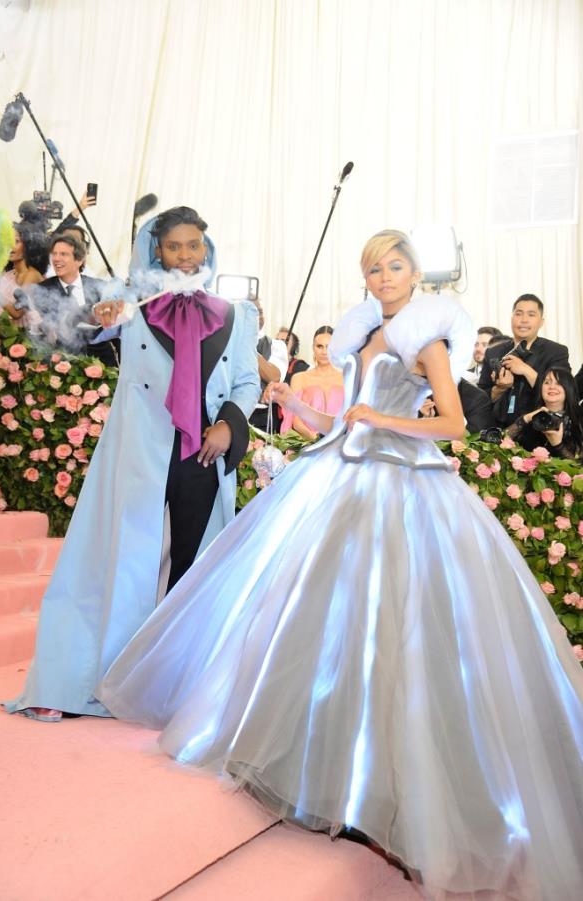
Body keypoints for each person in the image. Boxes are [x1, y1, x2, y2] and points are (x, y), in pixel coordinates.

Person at [98, 230, 583, 901]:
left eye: (393, 265)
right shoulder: (362, 334)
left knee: (398, 639)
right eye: (371, 268)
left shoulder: (428, 338)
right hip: (341, 473)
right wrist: (303, 409)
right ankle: (320, 769)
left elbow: (453, 426)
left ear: (416, 273)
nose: (382, 276)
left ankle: (396, 798)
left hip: (401, 486)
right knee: (318, 628)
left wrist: (378, 420)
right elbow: (345, 422)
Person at [3, 205, 260, 722]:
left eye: (194, 246)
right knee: (123, 566)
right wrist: (95, 316)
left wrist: (230, 423)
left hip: (202, 455)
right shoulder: (131, 305)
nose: (186, 256)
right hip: (140, 454)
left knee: (193, 568)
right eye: (174, 246)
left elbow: (247, 381)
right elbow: (83, 329)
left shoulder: (236, 315)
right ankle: (97, 680)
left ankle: (178, 684)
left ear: (206, 250)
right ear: (156, 251)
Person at [478, 294, 570, 426]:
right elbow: (480, 398)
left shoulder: (556, 352)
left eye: (531, 315)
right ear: (511, 318)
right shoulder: (493, 352)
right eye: (519, 314)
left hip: (539, 428)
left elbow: (563, 391)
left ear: (541, 322)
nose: (524, 320)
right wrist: (499, 389)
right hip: (497, 430)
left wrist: (526, 370)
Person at [30, 233, 117, 366]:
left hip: (102, 364)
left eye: (63, 254)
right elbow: (42, 333)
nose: (56, 259)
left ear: (79, 260)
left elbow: (114, 328)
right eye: (54, 254)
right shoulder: (42, 290)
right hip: (62, 365)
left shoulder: (100, 287)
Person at [505, 366, 583, 460]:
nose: (552, 387)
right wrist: (527, 418)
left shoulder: (578, 419)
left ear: (568, 388)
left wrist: (557, 444)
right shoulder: (530, 416)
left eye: (558, 383)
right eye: (547, 382)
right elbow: (500, 442)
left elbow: (578, 468)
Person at [280, 325, 344, 438]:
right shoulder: (300, 378)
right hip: (307, 444)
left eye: (329, 347)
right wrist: (315, 440)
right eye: (320, 346)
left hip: (339, 443)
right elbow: (295, 419)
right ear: (313, 348)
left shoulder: (346, 378)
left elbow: (350, 416)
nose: (324, 352)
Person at [0, 221, 49, 320]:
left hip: (26, 334)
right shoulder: (9, 274)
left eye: (16, 241)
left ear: (29, 246)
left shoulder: (31, 275)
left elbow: (17, 313)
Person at [249, 296, 288, 431]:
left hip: (261, 417)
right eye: (251, 312)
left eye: (260, 312)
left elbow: (274, 376)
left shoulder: (276, 346)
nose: (258, 317)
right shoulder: (228, 342)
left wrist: (246, 343)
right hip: (230, 414)